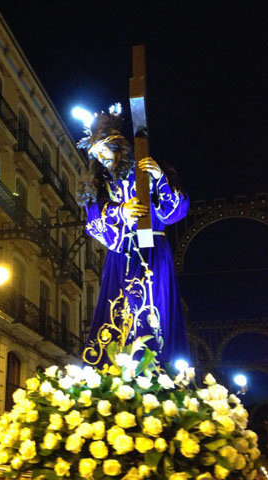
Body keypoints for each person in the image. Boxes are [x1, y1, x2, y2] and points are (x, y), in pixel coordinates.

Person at [76, 104, 190, 365]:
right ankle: (117, 368)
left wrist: (160, 179)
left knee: (155, 307)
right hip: (122, 255)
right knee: (120, 309)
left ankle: (160, 367)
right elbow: (93, 222)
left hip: (154, 252)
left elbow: (176, 212)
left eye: (104, 150)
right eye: (96, 153)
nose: (102, 157)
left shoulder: (148, 170)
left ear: (117, 145)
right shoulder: (101, 185)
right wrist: (120, 212)